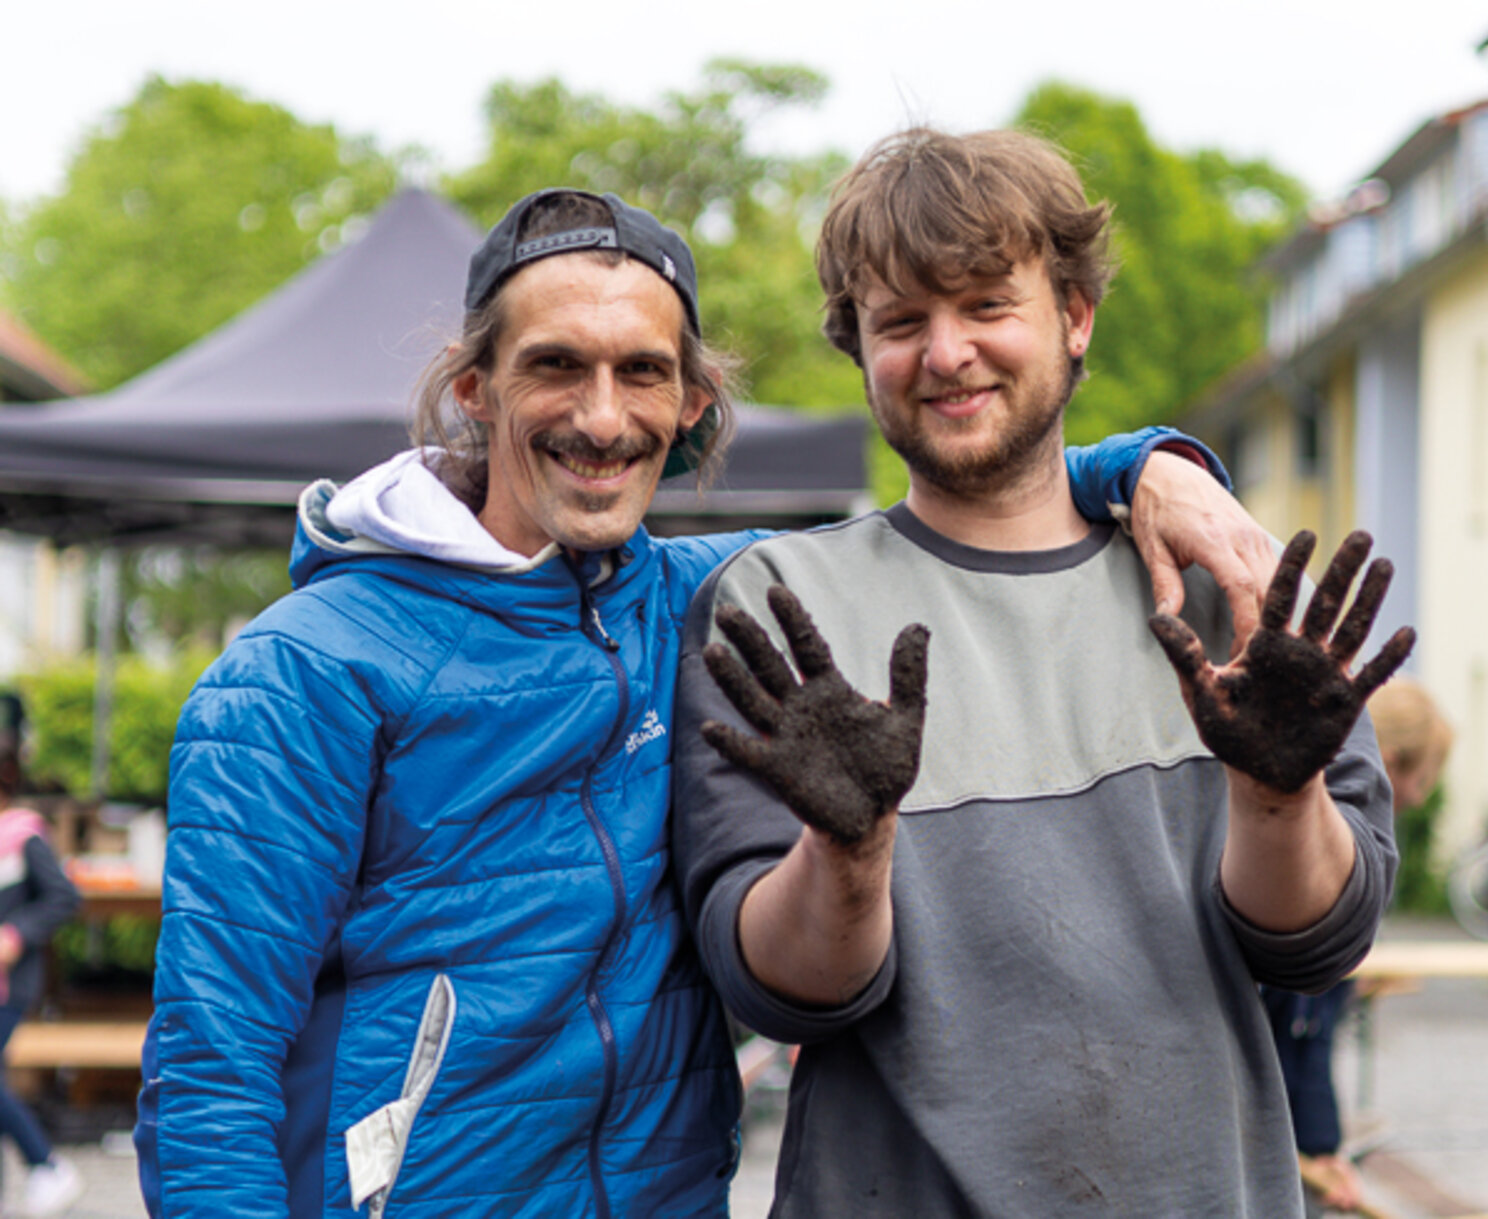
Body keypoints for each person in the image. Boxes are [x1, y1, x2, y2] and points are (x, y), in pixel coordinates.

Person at [132, 185, 1269, 1217]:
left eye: (642, 372)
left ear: (689, 403)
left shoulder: (708, 602)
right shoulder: (301, 672)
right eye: (555, 366)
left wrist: (1142, 466)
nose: (602, 414)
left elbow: (951, 513)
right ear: (473, 388)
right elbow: (208, 1070)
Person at [673, 127, 1415, 1217]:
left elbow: (1316, 943)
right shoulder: (782, 610)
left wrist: (1275, 793)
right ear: (857, 347)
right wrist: (849, 849)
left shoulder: (1221, 584)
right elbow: (783, 994)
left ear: (1075, 314)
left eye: (985, 305)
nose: (946, 352)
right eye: (901, 321)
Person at [1266, 676, 1454, 1215]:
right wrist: (1321, 1149)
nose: (1421, 795)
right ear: (1388, 761)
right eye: (1424, 776)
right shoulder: (1330, 849)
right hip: (1273, 1126)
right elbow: (1299, 1026)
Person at [0, 732, 84, 1218]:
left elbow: (63, 898)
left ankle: (47, 1164)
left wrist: (15, 933)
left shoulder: (23, 833)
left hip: (9, 986)